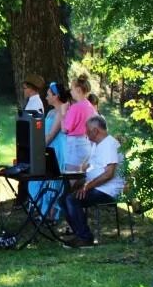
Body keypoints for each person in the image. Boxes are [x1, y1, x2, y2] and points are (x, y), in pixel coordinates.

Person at [62, 116, 124, 247]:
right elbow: (92, 168)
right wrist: (82, 181)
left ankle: (85, 238)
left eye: (87, 131)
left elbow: (109, 174)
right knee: (63, 198)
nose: (85, 133)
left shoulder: (109, 145)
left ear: (95, 131)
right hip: (97, 186)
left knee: (72, 200)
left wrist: (87, 186)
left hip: (108, 190)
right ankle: (80, 232)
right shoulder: (98, 144)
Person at [30, 81, 71, 221]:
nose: (46, 97)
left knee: (53, 181)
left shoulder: (61, 112)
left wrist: (37, 150)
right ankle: (42, 210)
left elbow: (51, 135)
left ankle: (51, 214)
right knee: (39, 180)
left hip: (56, 149)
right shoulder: (50, 112)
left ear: (56, 96)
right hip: (46, 148)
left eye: (48, 94)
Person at [62, 74, 98, 170]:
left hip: (74, 146)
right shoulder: (90, 106)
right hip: (86, 144)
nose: (70, 91)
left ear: (78, 90)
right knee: (81, 178)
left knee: (71, 179)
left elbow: (65, 129)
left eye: (72, 89)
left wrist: (63, 113)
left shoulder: (75, 107)